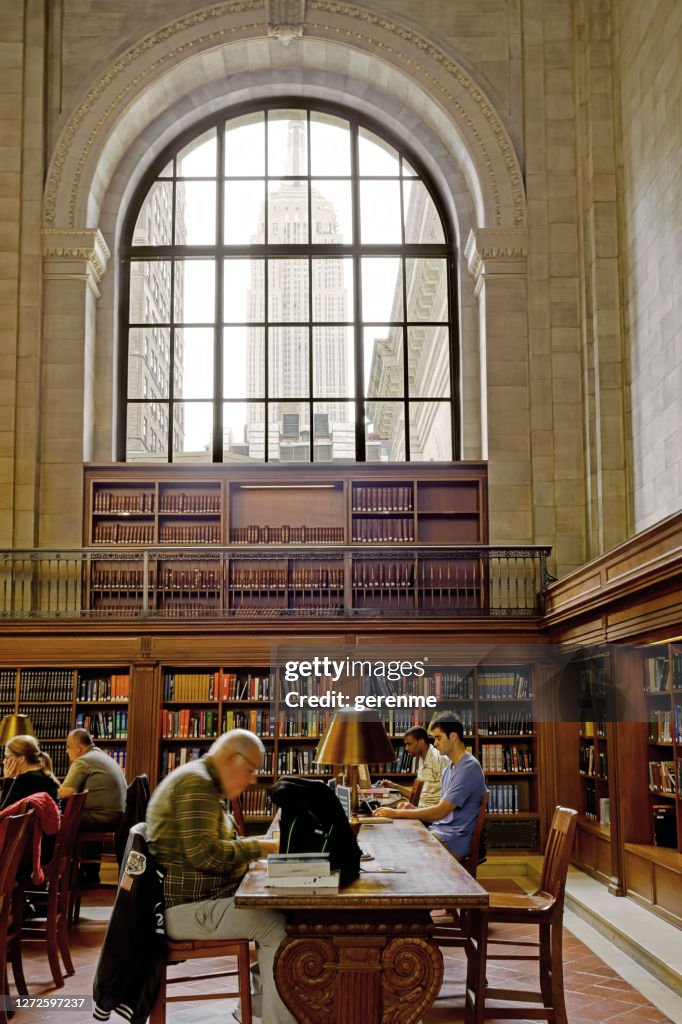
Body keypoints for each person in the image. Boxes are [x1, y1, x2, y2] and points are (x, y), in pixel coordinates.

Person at [146, 729, 296, 1024]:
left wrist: (258, 858)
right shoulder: (196, 784)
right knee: (277, 926)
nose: (253, 779)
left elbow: (211, 851)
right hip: (182, 908)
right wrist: (263, 847)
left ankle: (255, 1011)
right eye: (250, 769)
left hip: (198, 899)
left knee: (280, 912)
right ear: (231, 758)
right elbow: (206, 855)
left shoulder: (204, 782)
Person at [374, 713, 486, 860]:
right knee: (395, 840)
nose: (435, 743)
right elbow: (442, 810)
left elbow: (441, 811)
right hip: (440, 831)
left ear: (453, 737)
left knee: (402, 849)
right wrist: (413, 809)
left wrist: (397, 813)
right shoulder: (449, 768)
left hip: (454, 839)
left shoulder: (468, 767)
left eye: (438, 738)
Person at [58, 728, 127, 828]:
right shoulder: (99, 754)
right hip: (117, 816)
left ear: (78, 748)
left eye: (68, 747)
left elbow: (66, 792)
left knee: (53, 821)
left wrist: (47, 792)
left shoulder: (83, 761)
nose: (66, 751)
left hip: (102, 817)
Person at [377, 725, 448, 807]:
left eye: (409, 744)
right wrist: (394, 786)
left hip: (432, 812)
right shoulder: (421, 759)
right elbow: (418, 797)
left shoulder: (440, 759)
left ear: (421, 742)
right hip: (420, 808)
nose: (406, 748)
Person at [1, 734, 60, 810]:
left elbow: (3, 813)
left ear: (21, 759)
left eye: (7, 757)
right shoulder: (46, 775)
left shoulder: (24, 780)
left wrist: (8, 779)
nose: (4, 762)